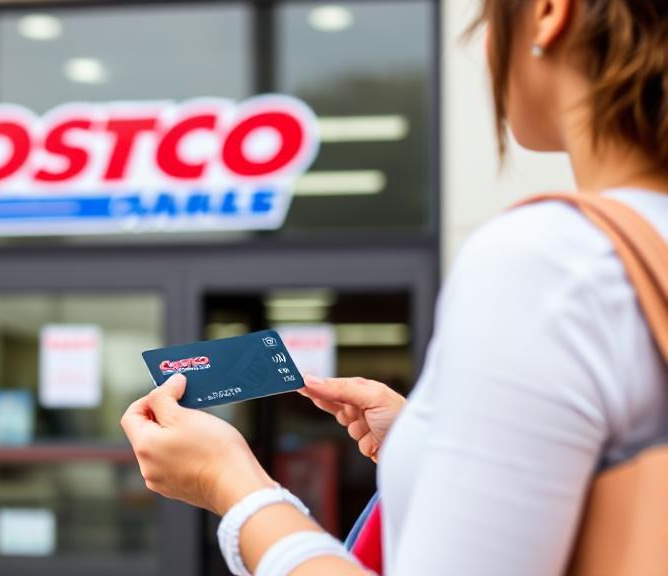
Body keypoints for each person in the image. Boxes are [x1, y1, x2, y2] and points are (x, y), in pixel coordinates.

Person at [120, 0, 668, 573]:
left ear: (550, 12)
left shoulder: (551, 262)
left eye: (485, 22)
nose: (485, 50)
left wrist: (230, 483)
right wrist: (422, 443)